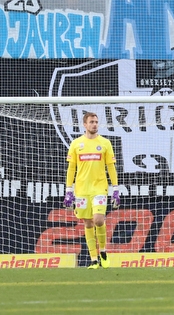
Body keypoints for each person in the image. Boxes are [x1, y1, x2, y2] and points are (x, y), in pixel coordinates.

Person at [64, 112, 119, 268]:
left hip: (99, 188)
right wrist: (69, 189)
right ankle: (94, 259)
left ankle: (103, 251)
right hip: (81, 190)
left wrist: (115, 188)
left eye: (96, 121)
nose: (94, 124)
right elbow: (71, 168)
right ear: (85, 125)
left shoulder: (105, 143)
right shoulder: (76, 144)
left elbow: (111, 166)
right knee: (88, 223)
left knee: (98, 219)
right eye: (91, 122)